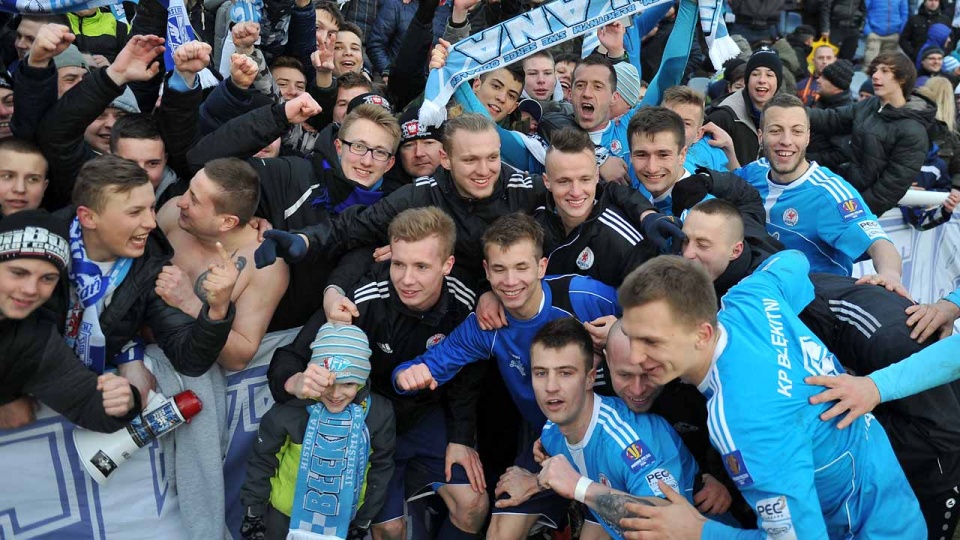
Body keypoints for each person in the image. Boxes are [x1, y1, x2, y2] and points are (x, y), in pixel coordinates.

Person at [681, 199, 960, 538]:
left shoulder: (887, 333)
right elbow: (791, 260)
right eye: (686, 241)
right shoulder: (754, 297)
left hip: (916, 477)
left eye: (704, 244)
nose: (689, 254)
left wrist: (854, 421)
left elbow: (943, 429)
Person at [615, 252, 926, 538]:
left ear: (702, 334)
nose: (636, 357)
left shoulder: (745, 422)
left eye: (651, 342)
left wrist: (698, 531)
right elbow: (793, 259)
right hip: (894, 504)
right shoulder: (749, 297)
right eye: (632, 338)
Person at [392, 213, 623, 538]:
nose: (510, 281)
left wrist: (625, 330)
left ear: (541, 267)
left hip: (611, 441)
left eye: (521, 268)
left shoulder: (582, 297)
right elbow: (427, 365)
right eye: (500, 269)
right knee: (499, 531)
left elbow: (657, 322)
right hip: (545, 441)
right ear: (487, 272)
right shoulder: (487, 325)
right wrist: (407, 376)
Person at [268, 207, 489, 540]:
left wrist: (461, 437)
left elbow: (469, 372)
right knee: (388, 528)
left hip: (427, 415)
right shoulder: (364, 298)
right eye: (398, 264)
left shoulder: (467, 300)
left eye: (422, 267)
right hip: (368, 422)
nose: (407, 279)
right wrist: (297, 382)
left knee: (473, 504)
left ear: (447, 265)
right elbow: (289, 357)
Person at [51, 154, 237, 405]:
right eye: (135, 212)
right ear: (88, 218)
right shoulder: (38, 252)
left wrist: (217, 309)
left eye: (151, 208)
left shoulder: (151, 262)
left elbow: (189, 360)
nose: (151, 223)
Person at [521, 317, 700, 539]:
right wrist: (535, 481)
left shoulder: (627, 438)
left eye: (565, 373)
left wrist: (578, 486)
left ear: (589, 379)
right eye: (541, 373)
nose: (551, 387)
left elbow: (668, 523)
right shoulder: (551, 434)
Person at [241, 322, 395, 540]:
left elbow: (380, 468)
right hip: (284, 517)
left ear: (362, 380)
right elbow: (263, 461)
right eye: (328, 383)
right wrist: (253, 512)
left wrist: (364, 519)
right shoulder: (290, 410)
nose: (336, 394)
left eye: (348, 384)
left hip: (342, 520)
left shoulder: (378, 413)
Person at [735, 93, 905, 283]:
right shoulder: (754, 172)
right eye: (775, 130)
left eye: (797, 131)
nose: (786, 140)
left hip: (813, 304)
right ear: (760, 136)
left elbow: (879, 243)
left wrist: (890, 276)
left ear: (807, 137)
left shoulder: (830, 195)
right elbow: (730, 188)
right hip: (758, 293)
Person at [0, 209, 141, 432]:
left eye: (47, 278)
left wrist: (124, 401)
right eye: (18, 273)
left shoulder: (35, 341)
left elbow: (88, 405)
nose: (30, 290)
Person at [155, 158, 289, 371]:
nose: (182, 201)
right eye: (189, 190)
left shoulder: (265, 267)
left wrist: (190, 303)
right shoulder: (173, 212)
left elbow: (239, 358)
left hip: (189, 370)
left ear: (227, 222)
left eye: (195, 200)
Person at [808, 51, 934, 215]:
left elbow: (889, 188)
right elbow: (833, 119)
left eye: (884, 71)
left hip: (858, 213)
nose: (875, 76)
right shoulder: (870, 105)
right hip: (841, 196)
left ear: (902, 79)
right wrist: (793, 112)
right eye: (875, 70)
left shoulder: (913, 131)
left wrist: (851, 211)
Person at [707, 47, 783, 167]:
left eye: (769, 75)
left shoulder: (788, 114)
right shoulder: (723, 117)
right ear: (747, 80)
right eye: (755, 74)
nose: (762, 80)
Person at [662, 86, 733, 172]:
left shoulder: (712, 153)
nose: (675, 128)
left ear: (698, 134)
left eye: (686, 123)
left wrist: (729, 146)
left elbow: (739, 182)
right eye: (669, 120)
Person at [0, 137, 48, 217]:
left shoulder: (61, 227)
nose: (20, 189)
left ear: (44, 187)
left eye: (33, 179)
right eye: (8, 176)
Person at [862, 0, 909, 67]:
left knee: (887, 65)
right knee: (870, 64)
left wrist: (899, 32)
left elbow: (904, 13)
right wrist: (868, 31)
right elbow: (864, 11)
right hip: (874, 35)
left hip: (893, 36)